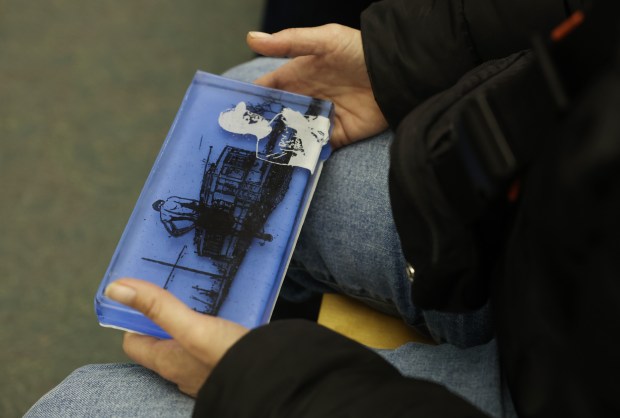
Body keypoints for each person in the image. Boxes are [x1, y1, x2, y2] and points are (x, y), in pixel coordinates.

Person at [27, 0, 617, 417]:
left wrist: (265, 383)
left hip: (555, 387)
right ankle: (271, 326)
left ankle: (263, 340)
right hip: (543, 240)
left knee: (72, 406)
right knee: (262, 86)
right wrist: (396, 59)